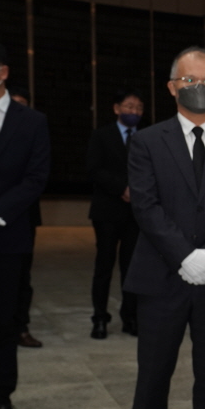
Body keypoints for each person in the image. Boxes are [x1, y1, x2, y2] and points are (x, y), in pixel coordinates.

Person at [123, 47, 205, 409]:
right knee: (153, 376)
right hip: (161, 277)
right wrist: (184, 256)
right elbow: (145, 205)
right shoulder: (147, 141)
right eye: (189, 80)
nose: (198, 87)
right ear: (172, 87)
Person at [0, 40, 50, 409]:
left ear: (1, 72)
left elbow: (36, 178)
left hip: (7, 240)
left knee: (1, 323)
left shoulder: (32, 122)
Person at [87, 88, 145, 339]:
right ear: (117, 108)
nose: (134, 111)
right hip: (107, 211)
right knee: (104, 266)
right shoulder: (101, 135)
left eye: (138, 108)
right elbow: (94, 169)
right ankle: (100, 318)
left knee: (132, 267)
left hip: (136, 214)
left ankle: (130, 317)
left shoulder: (146, 136)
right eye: (129, 106)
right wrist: (122, 188)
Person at [8, 87, 44, 349]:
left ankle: (21, 327)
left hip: (24, 216)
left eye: (23, 104)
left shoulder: (34, 134)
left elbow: (38, 175)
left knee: (22, 277)